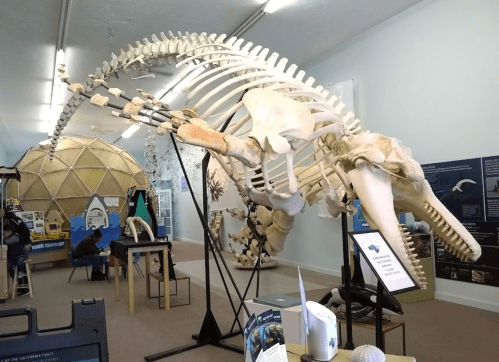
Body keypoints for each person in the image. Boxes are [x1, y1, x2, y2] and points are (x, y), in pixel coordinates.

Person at [3, 221, 30, 296]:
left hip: (19, 255)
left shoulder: (15, 236)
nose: (4, 235)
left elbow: (8, 241)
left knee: (20, 263)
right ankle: (14, 276)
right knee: (9, 266)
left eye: (4, 233)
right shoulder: (7, 239)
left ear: (10, 231)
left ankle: (20, 274)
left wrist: (3, 240)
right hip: (11, 257)